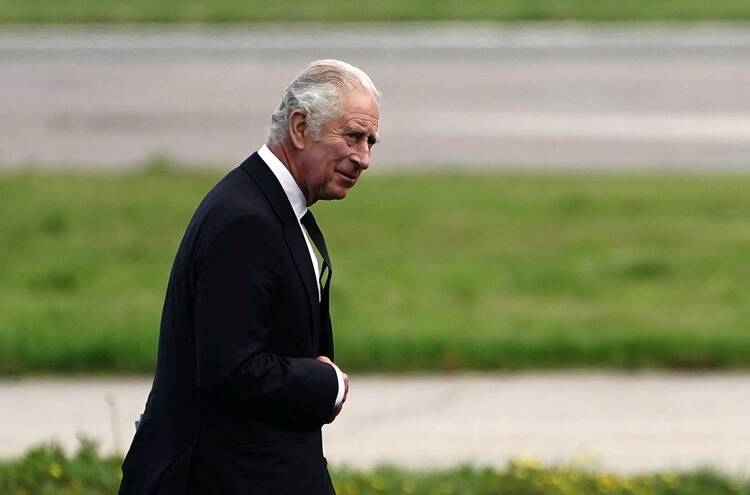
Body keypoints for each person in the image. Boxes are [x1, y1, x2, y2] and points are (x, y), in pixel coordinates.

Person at [118, 59, 380, 495]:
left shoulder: (269, 205)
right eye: (352, 136)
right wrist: (325, 384)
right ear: (300, 128)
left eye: (371, 141)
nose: (364, 158)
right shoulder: (245, 220)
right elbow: (231, 368)